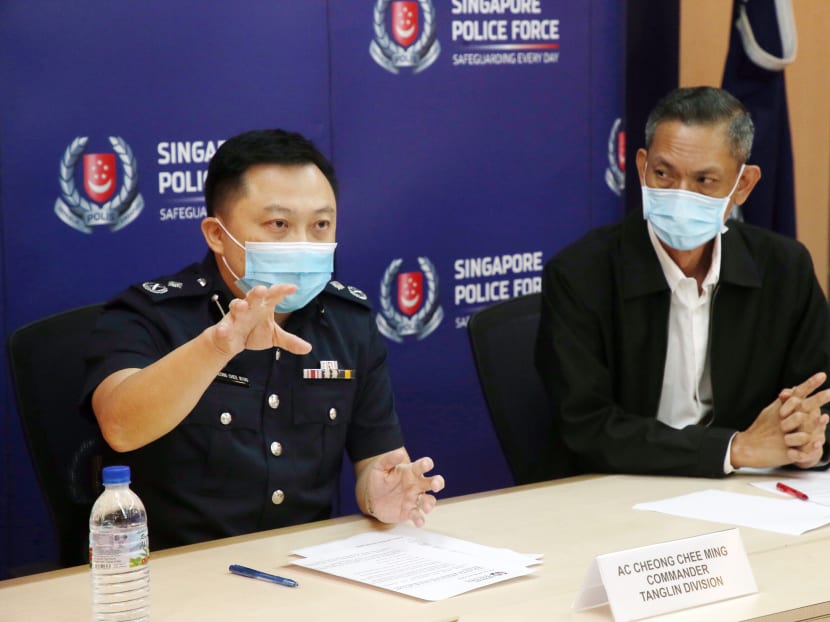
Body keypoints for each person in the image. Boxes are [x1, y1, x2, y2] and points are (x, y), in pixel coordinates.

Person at [83, 129, 444, 550]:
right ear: (217, 234)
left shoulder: (349, 321)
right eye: (279, 224)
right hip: (176, 574)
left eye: (321, 224)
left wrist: (378, 493)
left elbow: (377, 461)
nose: (303, 243)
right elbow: (121, 427)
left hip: (301, 568)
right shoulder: (151, 315)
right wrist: (217, 347)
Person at [536, 86, 830, 477]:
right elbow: (587, 428)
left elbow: (819, 396)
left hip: (748, 494)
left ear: (742, 185)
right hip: (620, 491)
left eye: (705, 181)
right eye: (663, 173)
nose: (680, 195)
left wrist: (809, 441)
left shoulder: (784, 268)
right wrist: (733, 449)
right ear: (641, 166)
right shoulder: (579, 275)